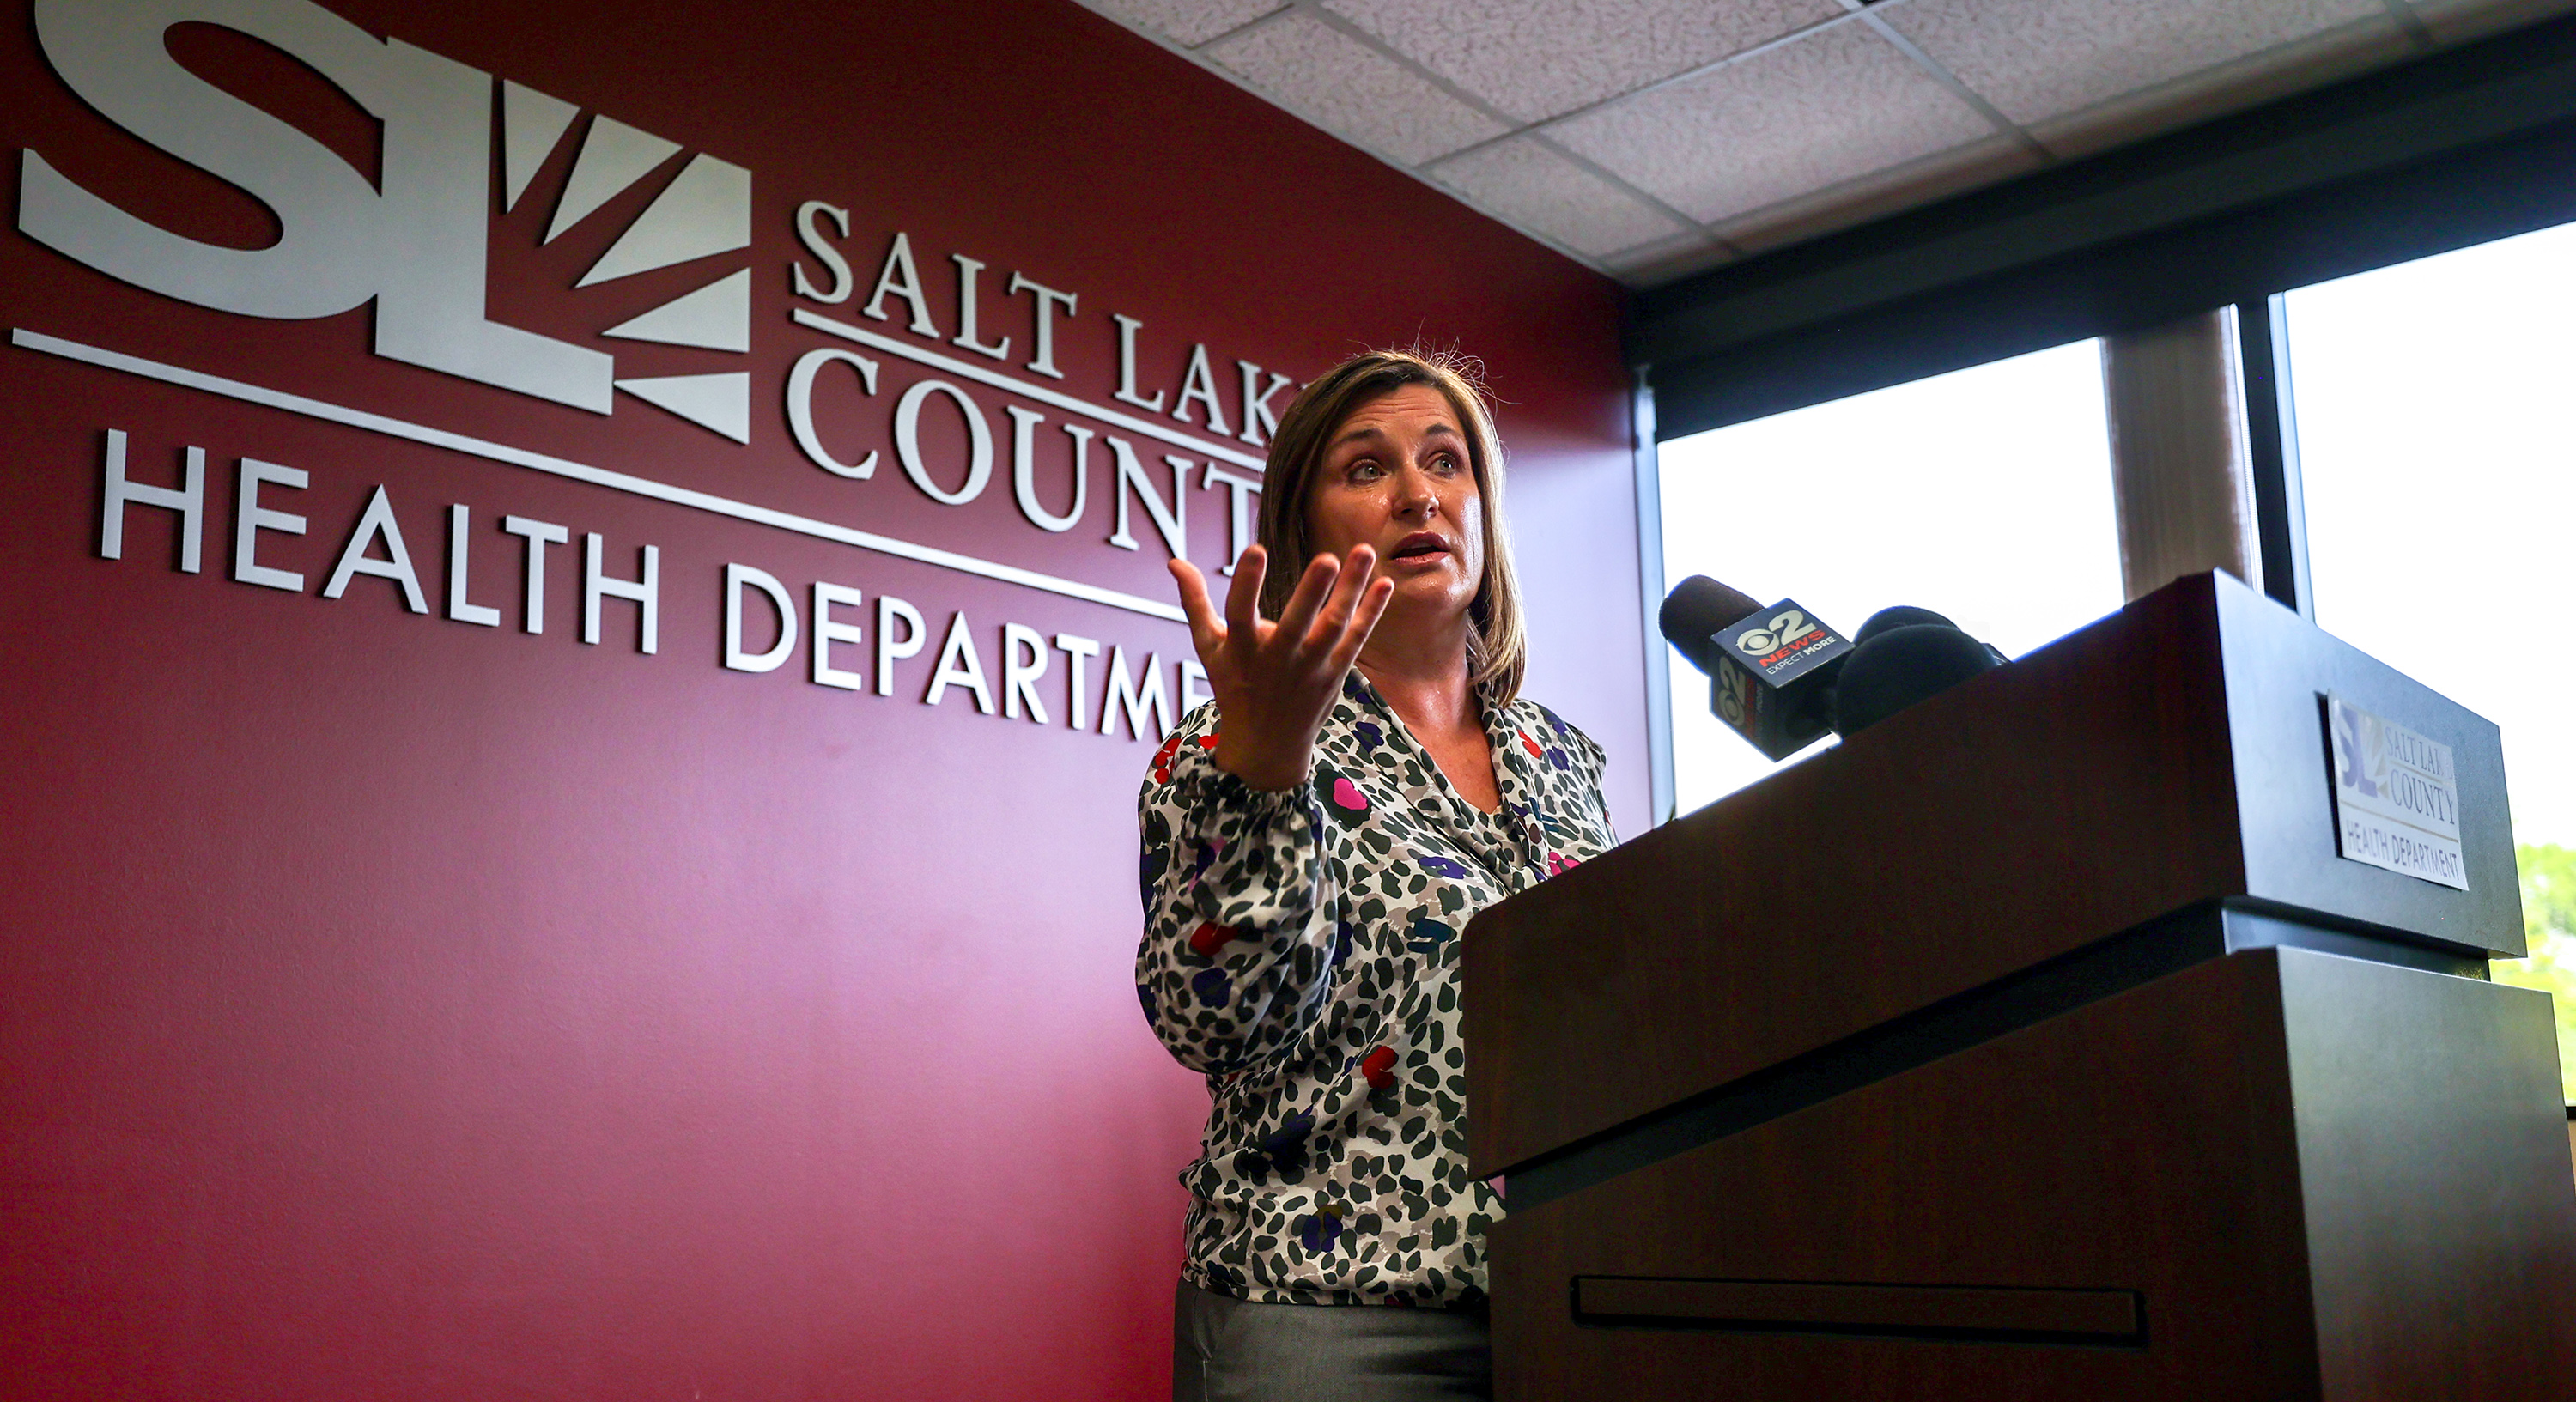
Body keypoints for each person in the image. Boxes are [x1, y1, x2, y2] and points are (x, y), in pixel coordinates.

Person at [1136, 349, 1619, 1400]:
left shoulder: (1565, 759)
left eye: (1446, 462)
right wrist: (1263, 775)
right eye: (1367, 468)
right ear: (1306, 532)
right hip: (1326, 1312)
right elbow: (1207, 1018)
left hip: (1564, 1292)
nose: (1418, 493)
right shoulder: (1230, 743)